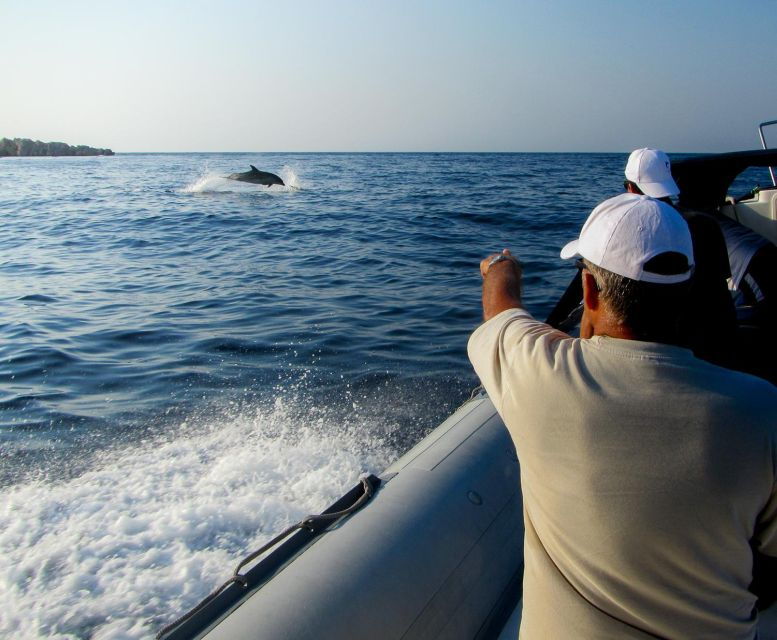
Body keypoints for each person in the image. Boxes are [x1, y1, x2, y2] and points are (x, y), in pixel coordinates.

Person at [468, 194, 777, 638]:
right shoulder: (762, 410)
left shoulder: (541, 376)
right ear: (687, 291)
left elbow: (500, 311)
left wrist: (501, 268)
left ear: (590, 290)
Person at [624, 148, 739, 369]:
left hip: (676, 356)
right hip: (722, 343)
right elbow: (719, 286)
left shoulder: (641, 231)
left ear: (630, 187)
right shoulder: (706, 224)